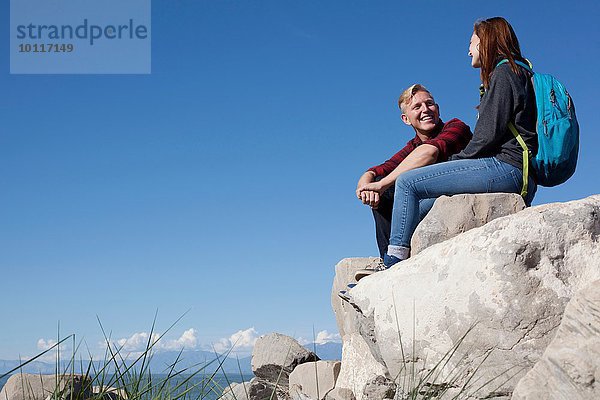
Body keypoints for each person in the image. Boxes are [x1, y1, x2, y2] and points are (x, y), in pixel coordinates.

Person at [359, 17, 538, 271]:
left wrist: (454, 162)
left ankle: (394, 264)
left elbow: (484, 138)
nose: (469, 49)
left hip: (508, 167)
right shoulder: (511, 72)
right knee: (404, 202)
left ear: (486, 41)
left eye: (472, 42)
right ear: (405, 118)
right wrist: (368, 182)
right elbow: (386, 166)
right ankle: (393, 256)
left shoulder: (505, 73)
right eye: (416, 107)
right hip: (510, 169)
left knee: (407, 182)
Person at [353, 84, 472, 281]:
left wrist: (381, 185)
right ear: (406, 119)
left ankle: (394, 260)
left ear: (438, 109)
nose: (425, 110)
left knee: (390, 187)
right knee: (383, 193)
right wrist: (365, 185)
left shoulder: (456, 127)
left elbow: (430, 152)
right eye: (417, 107)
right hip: (430, 199)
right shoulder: (414, 146)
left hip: (459, 194)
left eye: (430, 104)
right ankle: (387, 260)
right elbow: (379, 169)